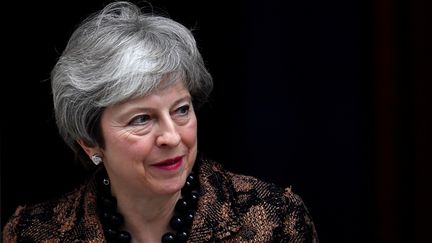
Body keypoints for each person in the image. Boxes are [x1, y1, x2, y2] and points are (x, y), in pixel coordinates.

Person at [2, 1, 318, 242]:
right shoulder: (32, 233)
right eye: (142, 119)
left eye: (181, 110)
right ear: (90, 142)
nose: (171, 136)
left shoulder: (274, 219)